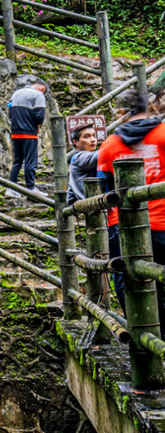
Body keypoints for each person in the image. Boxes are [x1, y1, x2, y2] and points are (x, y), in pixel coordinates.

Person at [97, 88, 165, 318]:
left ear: (121, 112)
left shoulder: (109, 144)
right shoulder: (163, 133)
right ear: (148, 108)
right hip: (163, 220)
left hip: (123, 222)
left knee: (126, 276)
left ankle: (138, 331)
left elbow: (104, 187)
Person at [7, 80, 47, 195]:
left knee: (17, 161)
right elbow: (39, 115)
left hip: (15, 132)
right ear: (42, 88)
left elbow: (10, 112)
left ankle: (11, 188)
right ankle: (31, 188)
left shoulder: (16, 93)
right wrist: (38, 127)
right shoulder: (38, 95)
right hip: (29, 133)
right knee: (31, 161)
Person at [66, 123, 99, 207]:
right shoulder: (79, 157)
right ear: (75, 142)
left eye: (94, 136)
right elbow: (100, 155)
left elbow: (70, 194)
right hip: (94, 204)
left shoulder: (76, 159)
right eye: (87, 136)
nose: (93, 140)